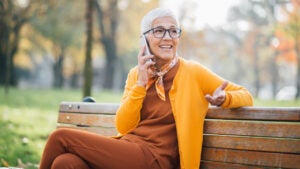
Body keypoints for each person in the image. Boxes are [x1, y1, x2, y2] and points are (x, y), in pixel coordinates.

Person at [39, 8, 253, 169]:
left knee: (60, 138)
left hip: (157, 159)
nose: (168, 37)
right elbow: (124, 127)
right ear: (145, 39)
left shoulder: (193, 72)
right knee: (65, 163)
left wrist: (224, 98)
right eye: (159, 31)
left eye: (173, 31)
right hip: (130, 151)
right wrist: (141, 84)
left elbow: (246, 95)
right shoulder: (136, 73)